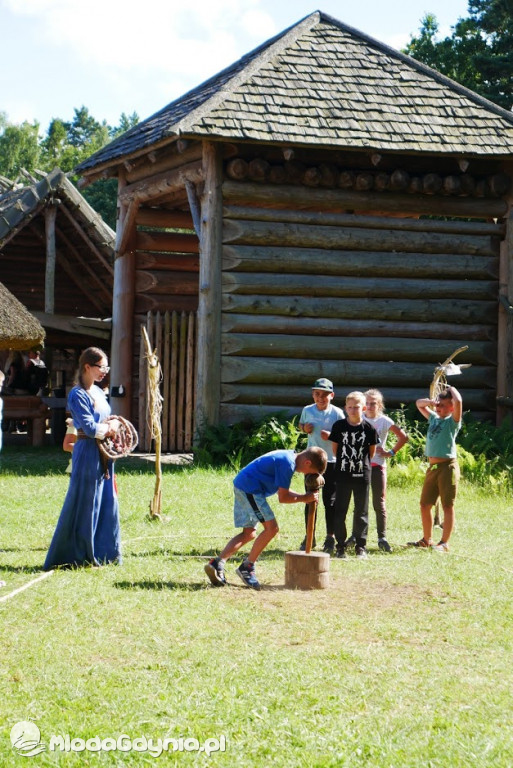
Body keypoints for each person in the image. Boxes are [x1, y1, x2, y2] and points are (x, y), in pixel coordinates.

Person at [204, 447, 328, 590]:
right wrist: (304, 498)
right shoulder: (287, 464)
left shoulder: (287, 457)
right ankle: (247, 567)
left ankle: (217, 563)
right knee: (272, 529)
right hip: (250, 489)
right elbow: (283, 498)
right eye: (310, 473)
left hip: (244, 485)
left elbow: (282, 490)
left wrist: (304, 498)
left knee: (249, 533)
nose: (306, 475)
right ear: (307, 463)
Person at [44, 347, 121, 570]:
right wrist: (110, 427)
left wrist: (113, 426)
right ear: (87, 367)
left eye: (107, 367)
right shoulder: (77, 394)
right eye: (101, 367)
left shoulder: (98, 392)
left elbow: (106, 419)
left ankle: (104, 552)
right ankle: (76, 555)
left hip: (104, 453)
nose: (105, 371)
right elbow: (88, 427)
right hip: (87, 452)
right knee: (86, 502)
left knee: (106, 501)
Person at [345, 389, 409, 552]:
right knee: (359, 502)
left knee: (378, 503)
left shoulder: (384, 421)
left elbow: (404, 437)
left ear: (379, 405)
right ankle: (355, 535)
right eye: (367, 403)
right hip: (359, 466)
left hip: (378, 466)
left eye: (373, 403)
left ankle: (382, 537)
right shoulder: (358, 419)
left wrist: (391, 452)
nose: (370, 406)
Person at [408, 385, 462, 552]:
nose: (438, 408)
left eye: (443, 405)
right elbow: (419, 404)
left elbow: (459, 400)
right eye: (437, 405)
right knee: (425, 504)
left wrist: (451, 388)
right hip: (433, 468)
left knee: (447, 505)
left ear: (451, 408)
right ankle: (427, 539)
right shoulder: (433, 418)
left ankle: (444, 543)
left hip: (447, 468)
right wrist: (432, 401)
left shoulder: (453, 422)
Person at [329, 391, 380, 560]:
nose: (352, 410)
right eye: (349, 407)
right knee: (340, 511)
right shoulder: (338, 427)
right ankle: (340, 547)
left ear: (364, 408)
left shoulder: (369, 429)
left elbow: (371, 453)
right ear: (345, 408)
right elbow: (335, 450)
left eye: (356, 407)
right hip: (342, 475)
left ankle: (361, 546)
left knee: (361, 511)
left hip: (362, 475)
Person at [298, 377, 345, 553]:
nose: (320, 398)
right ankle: (309, 535)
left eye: (325, 395)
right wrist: (304, 429)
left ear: (332, 395)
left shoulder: (338, 414)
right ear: (313, 394)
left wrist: (332, 436)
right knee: (310, 498)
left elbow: (345, 436)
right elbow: (300, 425)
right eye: (317, 394)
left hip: (331, 461)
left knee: (330, 501)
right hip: (311, 463)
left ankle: (330, 537)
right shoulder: (307, 410)